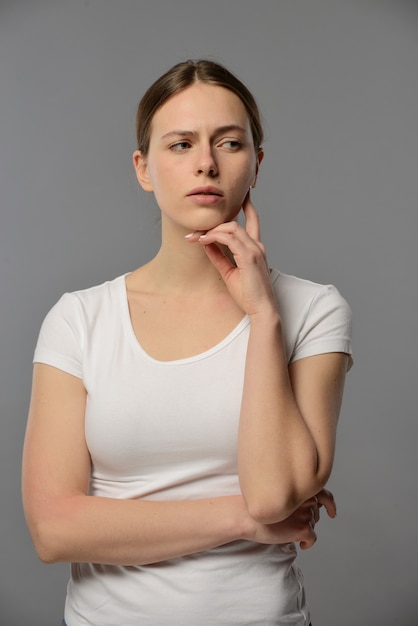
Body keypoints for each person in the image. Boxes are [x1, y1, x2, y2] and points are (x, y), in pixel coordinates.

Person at [22, 59, 352, 626]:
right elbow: (54, 530)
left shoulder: (314, 310)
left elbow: (274, 495)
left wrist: (263, 316)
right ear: (143, 168)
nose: (206, 163)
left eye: (229, 142)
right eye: (180, 145)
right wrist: (242, 521)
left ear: (257, 164)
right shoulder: (79, 319)